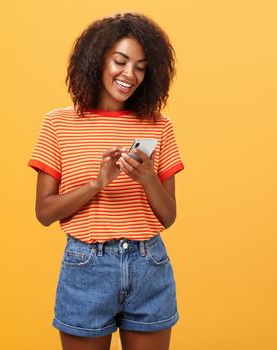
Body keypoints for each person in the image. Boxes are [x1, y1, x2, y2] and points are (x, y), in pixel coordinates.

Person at [27, 12, 185, 350]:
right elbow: (44, 212)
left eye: (141, 66)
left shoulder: (159, 126)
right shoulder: (59, 124)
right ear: (97, 59)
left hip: (149, 266)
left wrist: (147, 178)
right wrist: (97, 184)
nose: (130, 75)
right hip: (86, 267)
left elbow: (168, 216)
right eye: (120, 61)